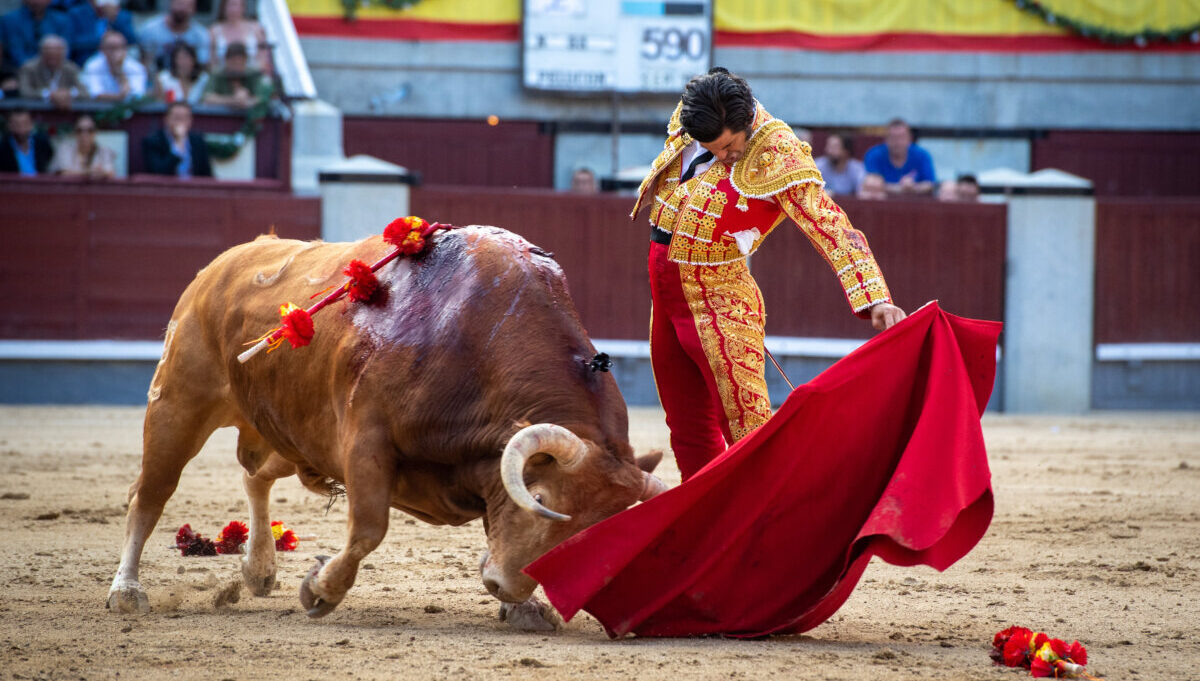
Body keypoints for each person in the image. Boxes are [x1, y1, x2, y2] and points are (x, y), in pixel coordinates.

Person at [631, 67, 906, 479]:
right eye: (711, 147)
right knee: (685, 423)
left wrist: (875, 295)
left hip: (719, 294)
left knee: (747, 426)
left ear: (746, 124)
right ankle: (705, 524)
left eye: (728, 147)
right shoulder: (697, 115)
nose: (722, 156)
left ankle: (766, 524)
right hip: (665, 285)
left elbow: (829, 223)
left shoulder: (779, 151)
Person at [863, 118, 936, 195]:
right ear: (886, 139)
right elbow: (870, 185)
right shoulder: (874, 155)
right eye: (893, 138)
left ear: (909, 139)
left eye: (901, 137)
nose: (897, 142)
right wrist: (900, 188)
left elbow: (930, 184)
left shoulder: (922, 154)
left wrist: (914, 187)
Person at [142, 100, 212, 177]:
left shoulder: (198, 141)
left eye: (185, 118)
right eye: (177, 118)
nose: (181, 122)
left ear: (190, 120)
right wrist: (178, 145)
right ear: (166, 119)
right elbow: (158, 172)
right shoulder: (153, 141)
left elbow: (206, 174)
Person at [0, 0, 72, 75]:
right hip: (18, 70)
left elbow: (65, 50)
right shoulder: (9, 20)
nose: (36, 1)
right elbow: (15, 51)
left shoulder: (62, 20)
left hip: (55, 71)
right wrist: (33, 69)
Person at [18, 33, 86, 107]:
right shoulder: (29, 68)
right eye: (49, 57)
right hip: (37, 111)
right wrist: (48, 94)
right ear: (42, 54)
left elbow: (85, 92)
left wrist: (69, 93)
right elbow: (24, 91)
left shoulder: (72, 68)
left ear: (63, 55)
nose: (53, 61)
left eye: (56, 57)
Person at [138, 0, 208, 71]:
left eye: (188, 5)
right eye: (179, 4)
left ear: (194, 9)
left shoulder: (201, 35)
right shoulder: (150, 30)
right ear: (171, 4)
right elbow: (143, 62)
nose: (182, 9)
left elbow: (202, 66)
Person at [201, 41, 272, 109]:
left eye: (241, 63)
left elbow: (263, 97)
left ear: (246, 60)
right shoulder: (217, 74)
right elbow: (207, 98)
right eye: (234, 62)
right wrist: (233, 100)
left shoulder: (254, 74)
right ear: (226, 60)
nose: (237, 67)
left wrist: (247, 101)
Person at [80, 29, 145, 100]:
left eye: (120, 47)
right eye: (112, 48)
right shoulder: (92, 66)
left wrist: (119, 70)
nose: (116, 52)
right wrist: (120, 97)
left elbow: (135, 96)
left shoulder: (136, 67)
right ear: (102, 49)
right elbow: (95, 95)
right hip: (98, 109)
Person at [66, 0, 136, 66]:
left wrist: (113, 19)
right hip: (85, 60)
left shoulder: (121, 15)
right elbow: (72, 42)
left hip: (117, 59)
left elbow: (132, 40)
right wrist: (102, 39)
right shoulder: (76, 13)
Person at [209, 0, 269, 73]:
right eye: (230, 5)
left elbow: (263, 59)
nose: (233, 9)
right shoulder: (214, 31)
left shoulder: (257, 29)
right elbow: (211, 62)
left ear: (243, 7)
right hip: (223, 78)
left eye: (237, 5)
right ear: (223, 7)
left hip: (252, 77)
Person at [49, 113, 114, 177]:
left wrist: (102, 173)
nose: (84, 134)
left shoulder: (104, 151)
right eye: (80, 130)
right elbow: (63, 174)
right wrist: (88, 172)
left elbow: (110, 172)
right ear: (74, 133)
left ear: (95, 132)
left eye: (90, 130)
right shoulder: (65, 149)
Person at [0, 108, 54, 174]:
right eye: (16, 124)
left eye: (24, 123)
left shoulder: (42, 144)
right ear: (9, 125)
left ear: (31, 124)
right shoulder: (3, 148)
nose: (21, 128)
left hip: (41, 183)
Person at [814, 132, 865, 197]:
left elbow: (862, 193)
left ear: (846, 151)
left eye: (834, 147)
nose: (828, 151)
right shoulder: (817, 166)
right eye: (828, 146)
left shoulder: (858, 169)